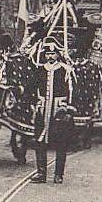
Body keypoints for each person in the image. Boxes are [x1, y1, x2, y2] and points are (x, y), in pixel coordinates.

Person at [28, 38, 74, 183]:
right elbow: (32, 89)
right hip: (42, 109)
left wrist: (67, 109)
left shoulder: (66, 70)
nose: (50, 56)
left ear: (58, 54)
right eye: (48, 53)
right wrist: (35, 104)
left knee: (61, 142)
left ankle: (58, 174)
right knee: (39, 141)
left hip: (59, 110)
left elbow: (72, 92)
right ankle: (41, 173)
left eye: (53, 54)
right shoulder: (40, 69)